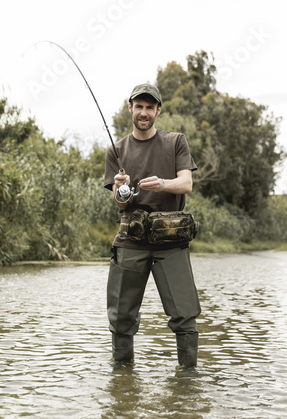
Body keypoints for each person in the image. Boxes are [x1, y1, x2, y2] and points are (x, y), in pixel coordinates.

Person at [104, 83, 201, 367]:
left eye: (149, 107)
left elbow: (187, 184)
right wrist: (121, 189)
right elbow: (119, 202)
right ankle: (123, 381)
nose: (143, 112)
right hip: (130, 242)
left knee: (184, 315)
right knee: (121, 317)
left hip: (171, 242)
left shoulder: (175, 142)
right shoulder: (116, 149)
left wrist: (162, 184)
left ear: (158, 110)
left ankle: (187, 381)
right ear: (130, 108)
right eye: (139, 107)